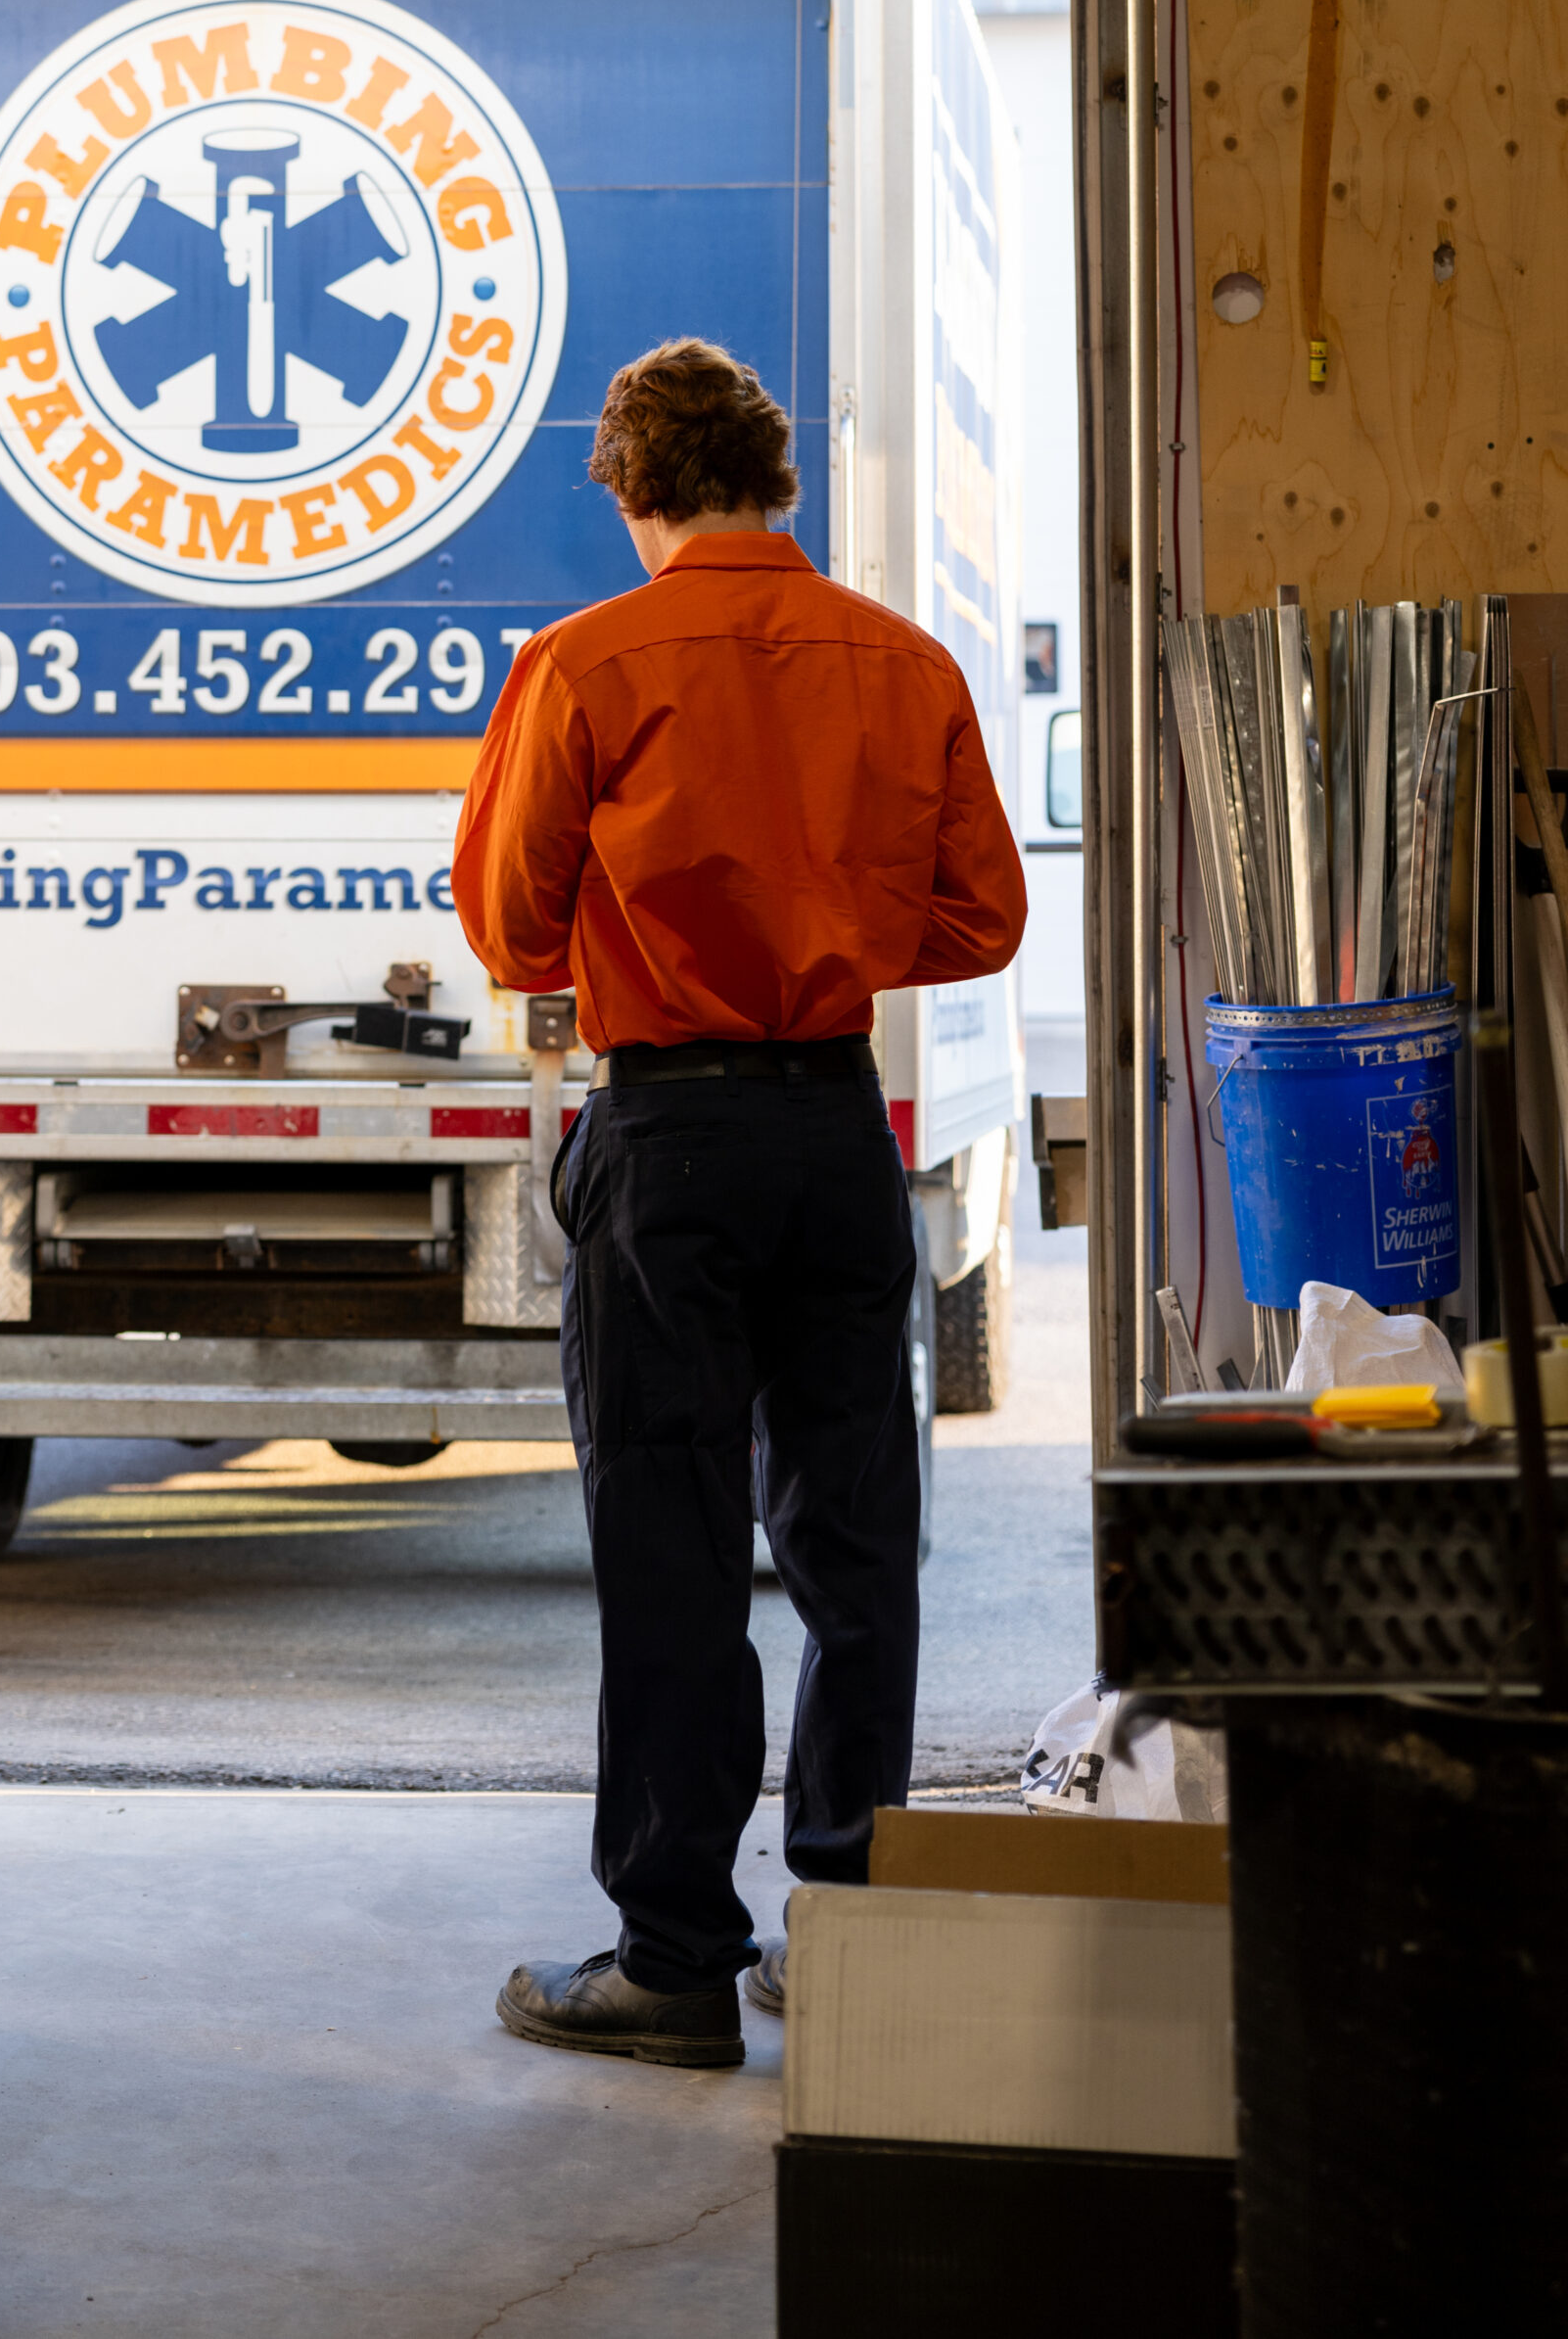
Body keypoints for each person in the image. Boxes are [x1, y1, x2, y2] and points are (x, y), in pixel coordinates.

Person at [453, 337, 1026, 2071]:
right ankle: (843, 1924)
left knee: (673, 1542)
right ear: (780, 481)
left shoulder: (585, 660)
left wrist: (657, 945)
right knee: (859, 1543)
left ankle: (677, 1960)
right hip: (840, 1131)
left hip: (672, 1143)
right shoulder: (903, 658)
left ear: (630, 489)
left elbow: (508, 924)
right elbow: (981, 917)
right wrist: (830, 937)